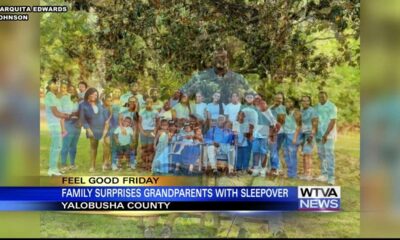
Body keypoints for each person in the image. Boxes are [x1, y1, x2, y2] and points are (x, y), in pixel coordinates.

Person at [79, 87, 110, 173]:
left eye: (96, 95)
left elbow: (104, 113)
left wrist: (107, 125)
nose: (94, 96)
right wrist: (88, 129)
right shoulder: (82, 105)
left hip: (103, 127)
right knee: (93, 147)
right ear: (88, 94)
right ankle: (92, 166)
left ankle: (105, 164)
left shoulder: (99, 103)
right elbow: (82, 119)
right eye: (92, 94)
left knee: (107, 144)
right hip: (92, 129)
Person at [44, 78, 71, 176]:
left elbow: (59, 109)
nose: (56, 86)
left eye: (57, 84)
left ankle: (53, 168)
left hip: (57, 124)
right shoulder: (49, 96)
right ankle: (52, 169)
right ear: (49, 85)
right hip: (54, 124)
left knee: (56, 146)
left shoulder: (54, 96)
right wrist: (66, 115)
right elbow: (55, 112)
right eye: (54, 84)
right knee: (56, 146)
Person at [314, 91, 337, 185]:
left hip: (329, 135)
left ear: (327, 97)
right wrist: (316, 133)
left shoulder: (332, 106)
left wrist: (326, 135)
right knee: (321, 154)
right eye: (319, 97)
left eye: (323, 97)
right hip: (319, 134)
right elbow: (315, 120)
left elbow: (332, 121)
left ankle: (331, 177)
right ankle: (324, 174)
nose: (321, 98)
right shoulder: (317, 107)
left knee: (329, 155)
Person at [252, 100, 277, 177]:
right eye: (260, 104)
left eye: (264, 104)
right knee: (255, 151)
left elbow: (273, 126)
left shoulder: (270, 114)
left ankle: (263, 169)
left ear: (266, 105)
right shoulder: (256, 113)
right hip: (256, 135)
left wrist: (270, 137)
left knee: (263, 152)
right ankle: (256, 168)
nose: (262, 105)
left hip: (265, 136)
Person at [60, 82, 81, 172]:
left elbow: (81, 112)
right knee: (65, 145)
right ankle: (63, 165)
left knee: (74, 146)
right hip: (67, 123)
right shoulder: (64, 98)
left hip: (76, 125)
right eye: (69, 90)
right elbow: (61, 112)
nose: (71, 91)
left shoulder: (77, 100)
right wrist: (63, 128)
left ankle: (72, 164)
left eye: (73, 89)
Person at [299, 95, 318, 181]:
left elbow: (315, 124)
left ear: (310, 102)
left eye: (307, 101)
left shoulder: (313, 111)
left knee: (308, 154)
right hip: (302, 134)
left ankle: (309, 174)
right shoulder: (301, 111)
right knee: (304, 154)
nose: (305, 102)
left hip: (309, 134)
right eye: (303, 100)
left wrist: (311, 135)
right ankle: (305, 173)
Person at [118, 96, 140, 171]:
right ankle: (122, 162)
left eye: (134, 101)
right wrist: (122, 129)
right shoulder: (124, 111)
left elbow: (136, 123)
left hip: (133, 132)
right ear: (128, 102)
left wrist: (134, 134)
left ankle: (132, 162)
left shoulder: (137, 112)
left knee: (133, 147)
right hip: (124, 132)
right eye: (131, 101)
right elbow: (120, 120)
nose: (132, 103)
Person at [282, 97, 302, 179]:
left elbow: (299, 126)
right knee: (286, 154)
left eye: (290, 102)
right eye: (287, 101)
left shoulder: (296, 112)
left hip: (293, 134)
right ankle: (289, 172)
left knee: (292, 154)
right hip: (286, 134)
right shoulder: (286, 111)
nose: (288, 103)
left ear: (294, 103)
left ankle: (293, 174)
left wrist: (295, 138)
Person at [268, 92, 286, 176]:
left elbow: (283, 121)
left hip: (281, 133)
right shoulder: (270, 108)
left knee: (276, 150)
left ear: (282, 100)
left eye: (280, 98)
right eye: (277, 98)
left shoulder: (284, 109)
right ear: (274, 99)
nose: (278, 100)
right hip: (272, 132)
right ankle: (274, 168)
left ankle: (276, 167)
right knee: (273, 150)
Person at [139, 96, 158, 171]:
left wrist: (154, 131)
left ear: (153, 103)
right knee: (144, 148)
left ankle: (150, 164)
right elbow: (139, 123)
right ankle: (144, 163)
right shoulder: (141, 111)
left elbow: (157, 123)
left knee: (150, 148)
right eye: (147, 103)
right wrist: (142, 131)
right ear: (145, 103)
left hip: (152, 131)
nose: (149, 104)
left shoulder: (155, 112)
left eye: (150, 103)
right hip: (143, 131)